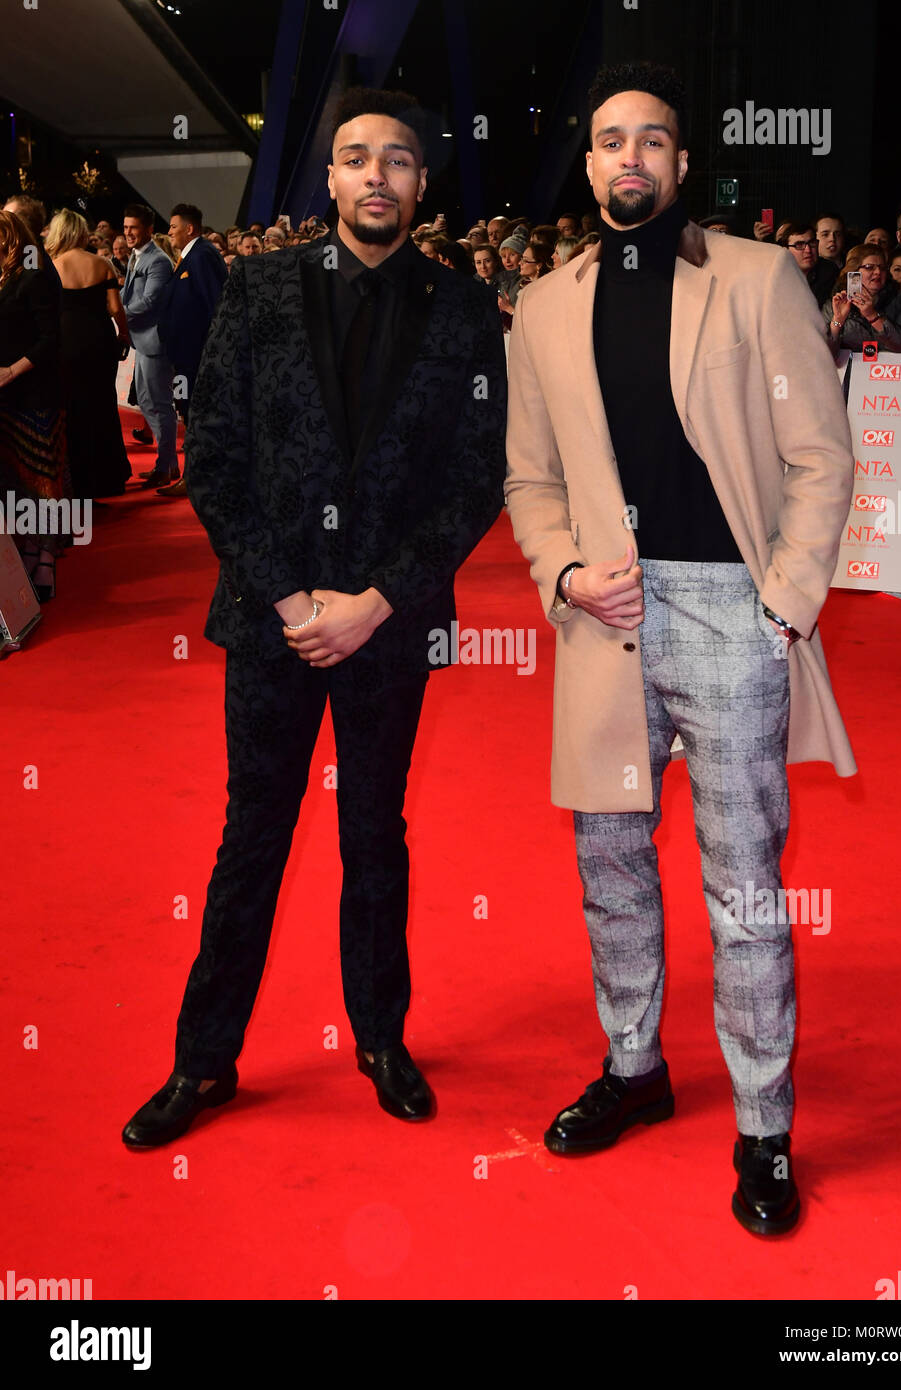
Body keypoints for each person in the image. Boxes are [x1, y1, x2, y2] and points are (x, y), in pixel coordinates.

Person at [503, 60, 856, 1237]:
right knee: (611, 872)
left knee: (744, 888)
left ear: (680, 162)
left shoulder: (759, 278)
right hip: (601, 617)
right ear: (589, 161)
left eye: (651, 141)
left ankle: (764, 1127)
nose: (628, 160)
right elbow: (530, 477)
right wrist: (558, 572)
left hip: (729, 613)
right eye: (609, 141)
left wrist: (784, 604)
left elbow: (820, 455)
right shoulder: (546, 302)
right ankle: (635, 1066)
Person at [121, 86, 507, 1149]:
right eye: (354, 158)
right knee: (254, 833)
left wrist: (376, 602)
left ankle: (380, 1037)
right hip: (272, 620)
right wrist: (295, 601)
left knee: (375, 832)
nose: (374, 176)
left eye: (396, 159)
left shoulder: (463, 308)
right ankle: (203, 1060)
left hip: (390, 619)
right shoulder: (256, 290)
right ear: (329, 178)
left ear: (421, 184)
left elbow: (473, 482)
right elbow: (219, 464)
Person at [0, 210, 66, 601]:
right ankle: (26, 547)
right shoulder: (4, 280)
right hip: (4, 398)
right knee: (14, 482)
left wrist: (12, 370)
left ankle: (45, 556)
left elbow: (50, 339)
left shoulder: (34, 277)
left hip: (35, 394)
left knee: (42, 481)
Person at [46, 209, 132, 500]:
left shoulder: (51, 267)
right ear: (81, 232)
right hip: (98, 341)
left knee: (71, 409)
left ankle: (75, 483)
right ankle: (105, 479)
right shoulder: (103, 263)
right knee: (102, 406)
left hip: (65, 345)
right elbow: (115, 308)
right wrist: (124, 334)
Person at [153, 202, 228, 497]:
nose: (169, 232)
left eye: (173, 227)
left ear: (189, 228)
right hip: (185, 356)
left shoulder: (202, 256)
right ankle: (194, 476)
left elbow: (215, 304)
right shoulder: (191, 257)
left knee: (197, 415)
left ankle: (196, 478)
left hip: (198, 357)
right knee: (189, 413)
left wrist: (212, 351)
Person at [121, 203, 179, 487]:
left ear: (149, 230)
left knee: (159, 405)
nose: (128, 233)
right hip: (144, 341)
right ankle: (169, 465)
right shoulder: (137, 256)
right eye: (125, 228)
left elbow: (149, 302)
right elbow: (129, 293)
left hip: (156, 341)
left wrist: (117, 314)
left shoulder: (156, 260)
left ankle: (164, 467)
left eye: (133, 228)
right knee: (147, 402)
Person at [824, 243, 901, 353]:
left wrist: (873, 316)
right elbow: (823, 355)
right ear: (854, 272)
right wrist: (837, 322)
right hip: (850, 368)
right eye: (869, 267)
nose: (878, 272)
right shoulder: (836, 303)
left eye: (882, 268)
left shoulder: (899, 299)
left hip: (890, 368)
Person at [778, 221, 837, 304]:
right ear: (786, 250)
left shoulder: (829, 271)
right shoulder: (777, 274)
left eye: (812, 243)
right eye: (799, 245)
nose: (808, 250)